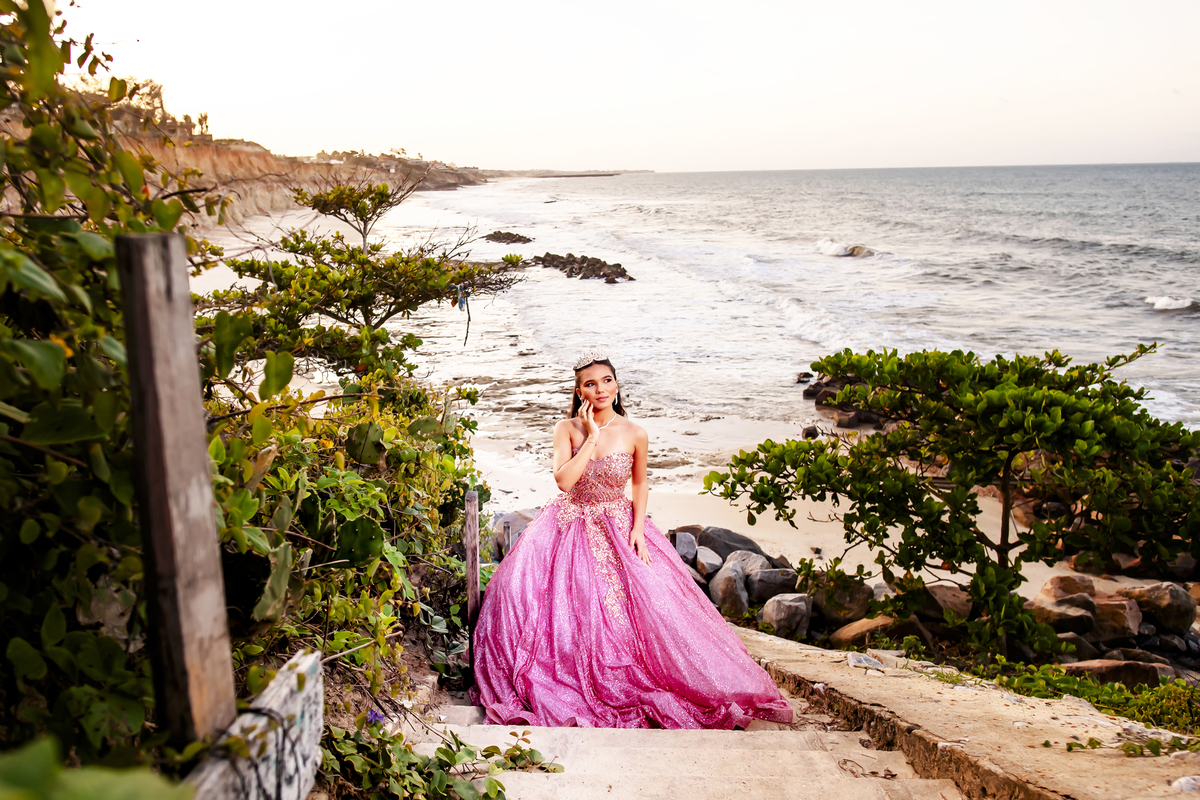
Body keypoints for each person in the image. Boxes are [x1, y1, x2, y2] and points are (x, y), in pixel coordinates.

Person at [470, 350, 793, 728]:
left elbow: (639, 482)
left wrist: (638, 529)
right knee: (540, 599)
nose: (600, 388)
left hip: (619, 521)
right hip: (568, 521)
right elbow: (563, 481)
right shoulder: (567, 429)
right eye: (590, 383)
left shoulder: (635, 432)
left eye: (606, 381)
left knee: (658, 606)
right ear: (579, 391)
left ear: (617, 384)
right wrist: (590, 438)